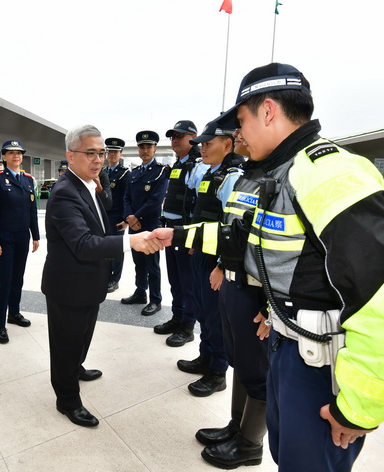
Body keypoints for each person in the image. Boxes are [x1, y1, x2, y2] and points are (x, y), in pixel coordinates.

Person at [149, 63, 384, 471]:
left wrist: (358, 410)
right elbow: (250, 241)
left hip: (319, 362)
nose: (238, 134)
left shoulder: (329, 174)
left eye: (241, 121)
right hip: (289, 345)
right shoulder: (281, 171)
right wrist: (177, 235)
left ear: (267, 111)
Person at [42, 125, 163, 428]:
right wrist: (130, 242)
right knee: (66, 344)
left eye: (101, 153)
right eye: (90, 153)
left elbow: (101, 219)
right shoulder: (64, 192)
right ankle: (67, 399)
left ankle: (76, 368)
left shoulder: (88, 184)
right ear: (70, 155)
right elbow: (83, 244)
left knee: (82, 336)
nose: (98, 160)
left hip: (89, 281)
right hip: (69, 285)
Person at [188, 123, 269, 468]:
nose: (239, 136)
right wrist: (223, 263)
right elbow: (234, 229)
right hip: (238, 280)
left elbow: (280, 248)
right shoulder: (250, 174)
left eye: (242, 128)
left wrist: (272, 305)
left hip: (258, 289)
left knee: (258, 370)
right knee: (244, 362)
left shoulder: (277, 177)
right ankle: (237, 428)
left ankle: (250, 445)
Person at [0, 140, 39, 344]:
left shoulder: (28, 179)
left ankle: (14, 313)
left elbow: (32, 210)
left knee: (18, 278)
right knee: (4, 281)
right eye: (11, 153)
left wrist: (35, 235)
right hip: (4, 238)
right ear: (4, 157)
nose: (16, 156)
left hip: (22, 236)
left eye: (19, 153)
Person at [154, 120, 201, 348]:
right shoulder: (178, 164)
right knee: (175, 280)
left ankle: (187, 326)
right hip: (172, 230)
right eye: (172, 136)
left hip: (185, 231)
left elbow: (199, 204)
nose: (175, 140)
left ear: (193, 137)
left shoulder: (198, 165)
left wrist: (194, 237)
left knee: (187, 282)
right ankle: (177, 317)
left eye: (179, 136)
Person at [120, 130, 168, 316]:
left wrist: (136, 217)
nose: (145, 150)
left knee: (152, 264)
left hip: (149, 225)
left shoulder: (161, 172)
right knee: (138, 261)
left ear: (155, 149)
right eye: (142, 147)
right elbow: (126, 197)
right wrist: (129, 217)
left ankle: (155, 299)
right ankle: (140, 292)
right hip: (134, 225)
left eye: (149, 146)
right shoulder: (134, 173)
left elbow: (156, 200)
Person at [104, 138, 130, 293]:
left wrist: (126, 219)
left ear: (121, 154)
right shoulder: (103, 172)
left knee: (117, 249)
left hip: (117, 218)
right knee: (105, 248)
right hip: (104, 217)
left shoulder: (125, 174)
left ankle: (115, 279)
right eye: (110, 151)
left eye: (116, 152)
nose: (112, 155)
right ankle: (106, 276)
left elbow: (127, 197)